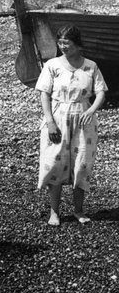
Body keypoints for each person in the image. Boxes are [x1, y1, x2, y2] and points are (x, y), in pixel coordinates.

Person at [35, 25, 107, 226]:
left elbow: (100, 91)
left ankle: (78, 210)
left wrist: (91, 110)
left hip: (84, 120)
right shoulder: (52, 65)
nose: (63, 46)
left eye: (67, 43)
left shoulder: (91, 66)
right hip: (58, 118)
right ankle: (54, 212)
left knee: (81, 164)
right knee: (55, 162)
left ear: (77, 44)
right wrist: (49, 121)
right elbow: (44, 94)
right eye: (60, 42)